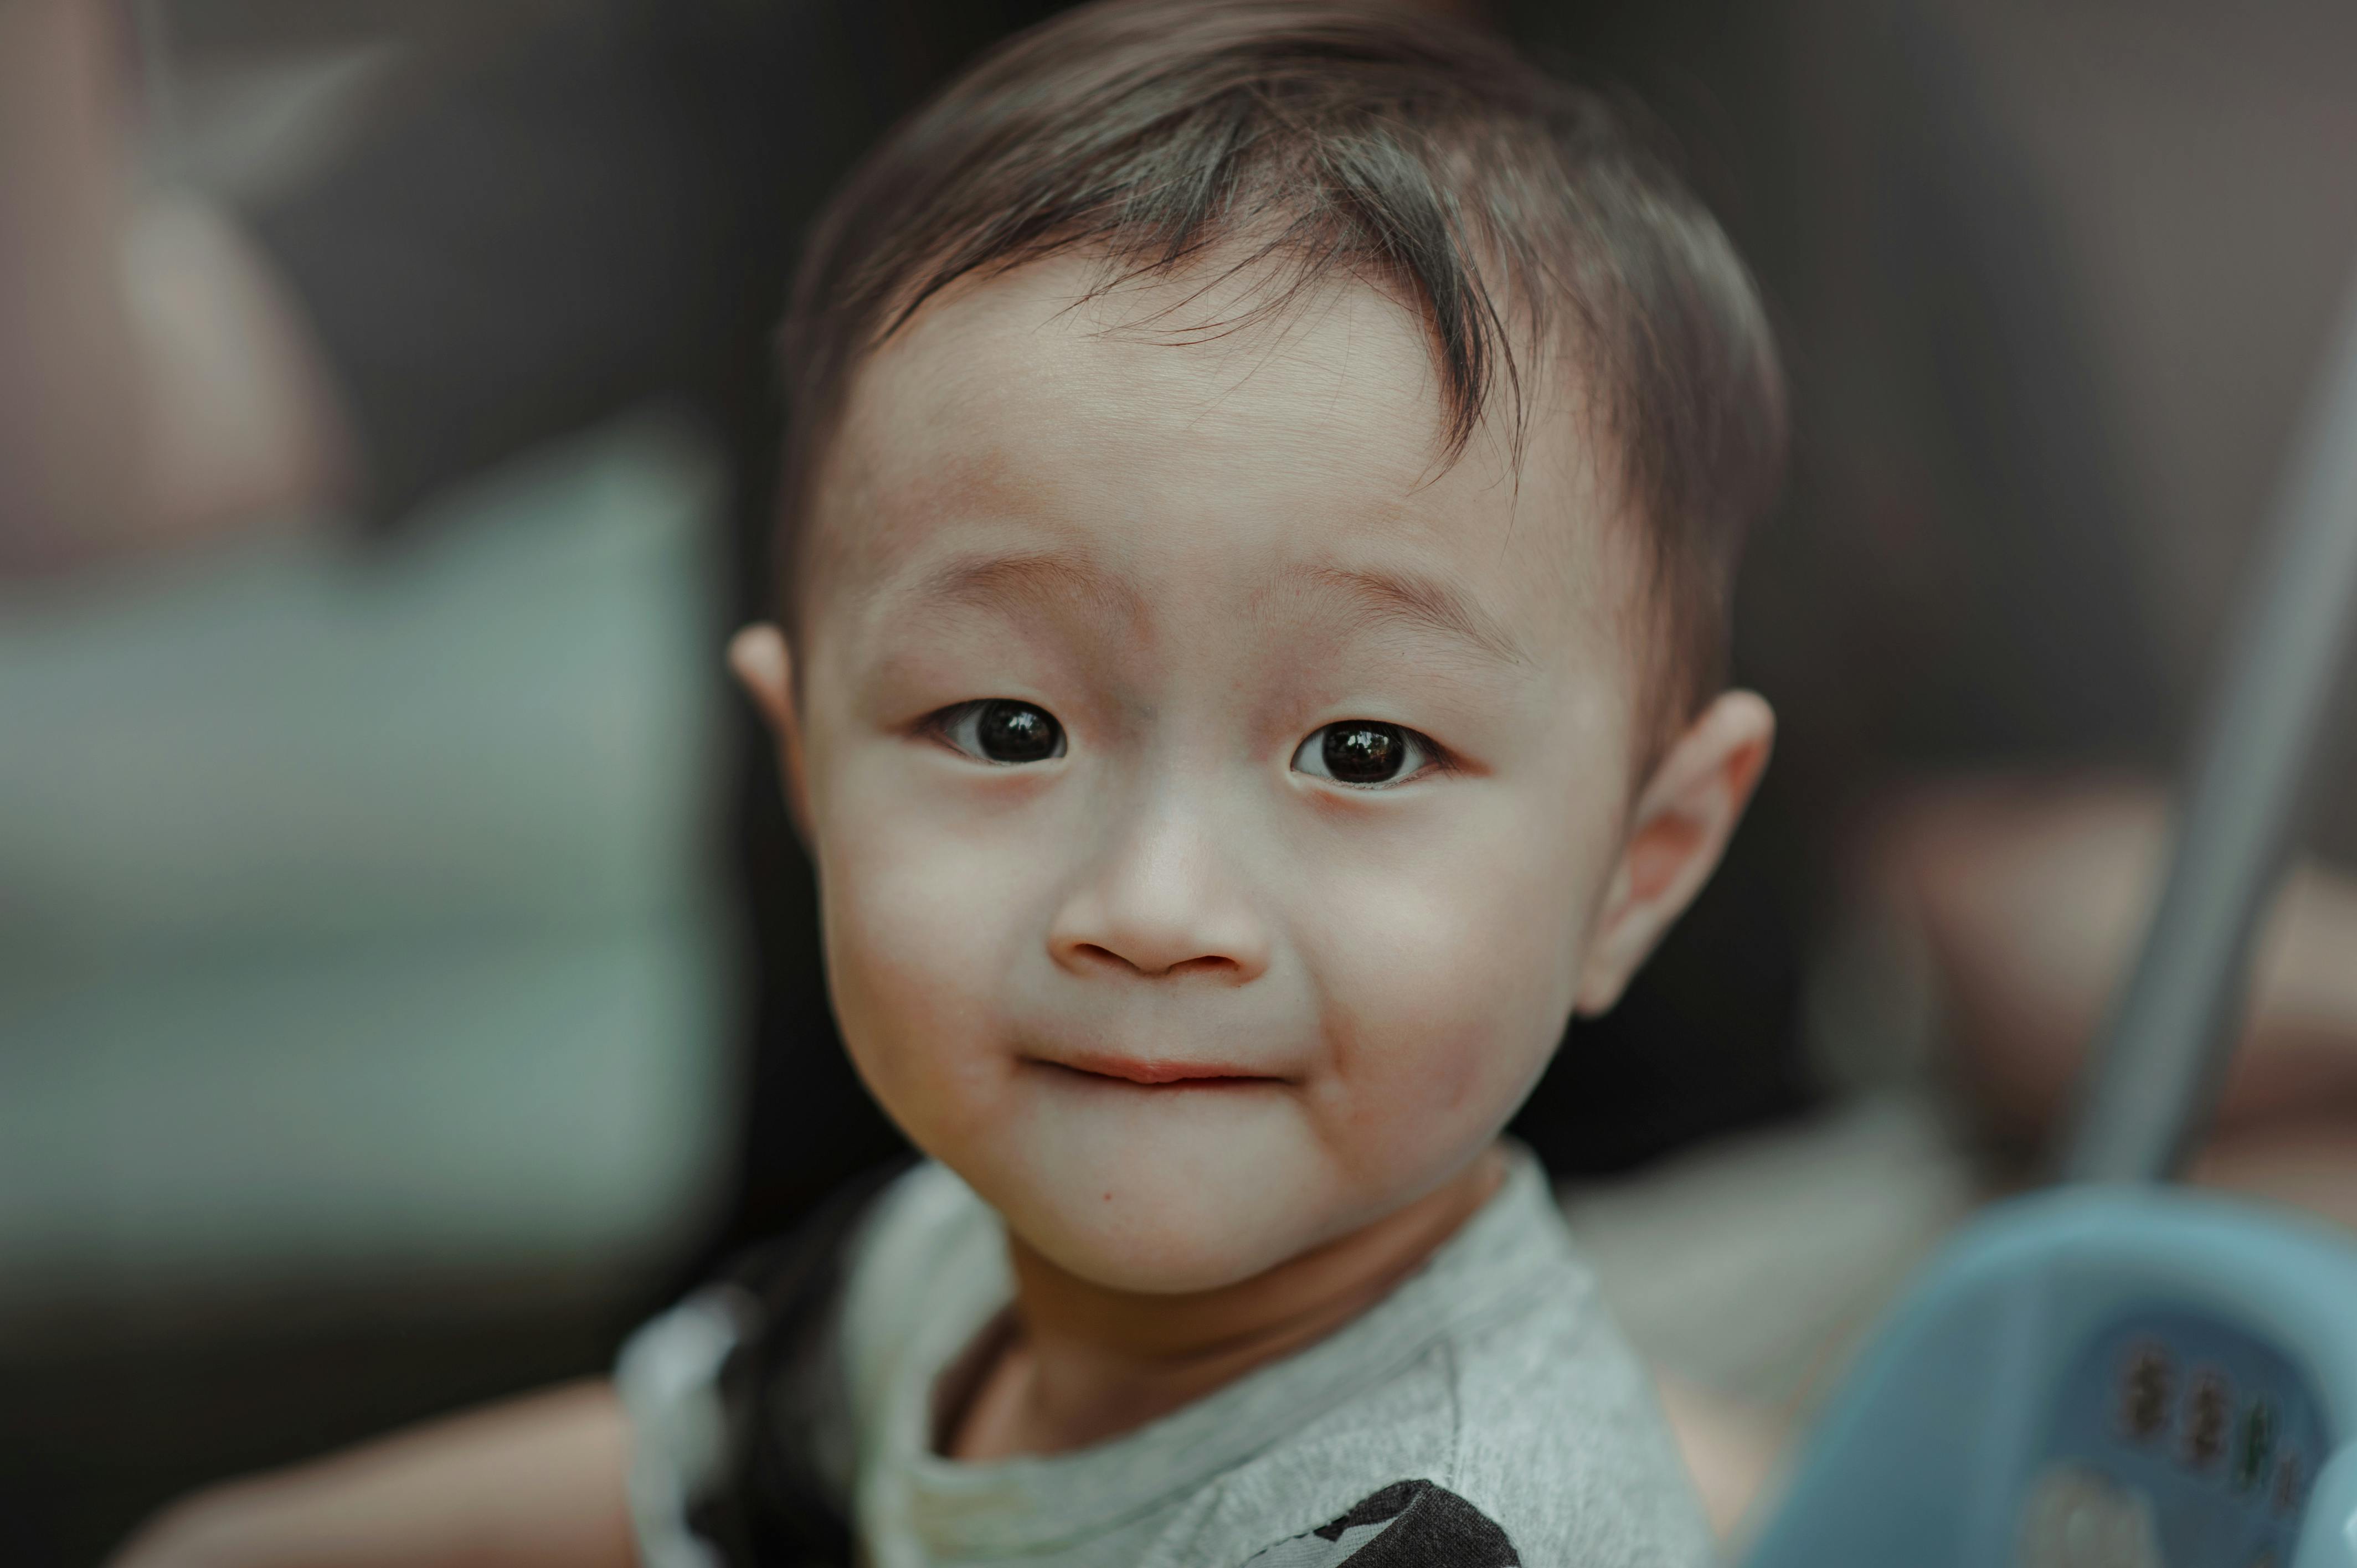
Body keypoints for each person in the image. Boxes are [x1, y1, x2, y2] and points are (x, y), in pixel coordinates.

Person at [108, 1, 1785, 1564]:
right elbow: (656, 1463)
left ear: (1645, 863)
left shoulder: (1438, 1523)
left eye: (1362, 752)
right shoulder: (944, 1271)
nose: (1150, 909)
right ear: (807, 771)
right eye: (1005, 729)